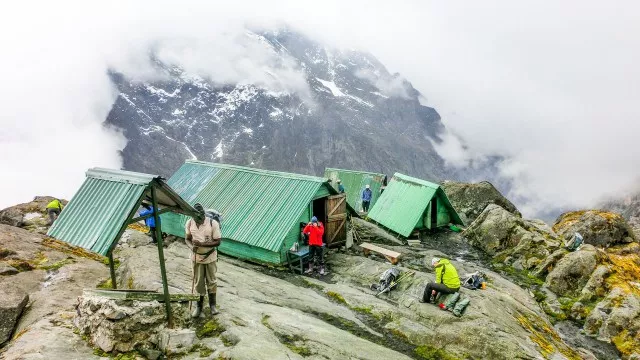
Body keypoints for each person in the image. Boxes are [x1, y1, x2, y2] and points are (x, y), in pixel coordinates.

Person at [185, 203, 222, 317]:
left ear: (203, 214)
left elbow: (218, 241)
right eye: (196, 217)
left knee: (211, 281)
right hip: (196, 257)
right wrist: (192, 248)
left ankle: (212, 305)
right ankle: (199, 307)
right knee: (198, 282)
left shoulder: (212, 223)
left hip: (210, 257)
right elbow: (187, 239)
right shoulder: (189, 223)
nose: (199, 219)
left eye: (201, 216)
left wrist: (202, 244)